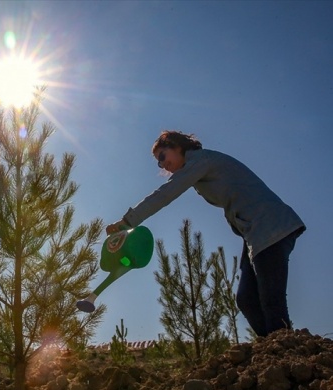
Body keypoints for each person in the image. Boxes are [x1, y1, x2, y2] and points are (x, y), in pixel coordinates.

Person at [106, 130, 305, 337]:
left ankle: (286, 352)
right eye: (158, 163)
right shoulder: (198, 168)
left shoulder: (200, 161)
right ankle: (273, 350)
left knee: (272, 300)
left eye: (163, 156)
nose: (162, 165)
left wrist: (127, 222)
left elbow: (164, 194)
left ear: (177, 146)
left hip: (270, 225)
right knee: (246, 300)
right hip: (254, 233)